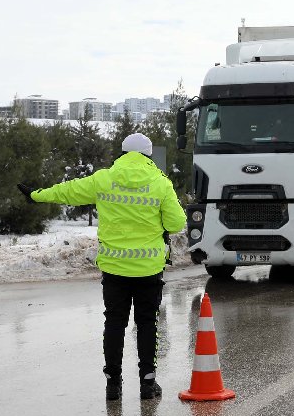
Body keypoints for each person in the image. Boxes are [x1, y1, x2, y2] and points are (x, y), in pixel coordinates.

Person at [20, 133, 186, 401]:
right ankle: (147, 383)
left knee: (115, 323)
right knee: (147, 323)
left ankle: (113, 384)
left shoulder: (103, 179)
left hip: (114, 268)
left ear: (122, 153)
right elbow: (177, 223)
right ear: (148, 155)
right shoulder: (160, 183)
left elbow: (68, 191)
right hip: (148, 269)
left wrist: (36, 196)